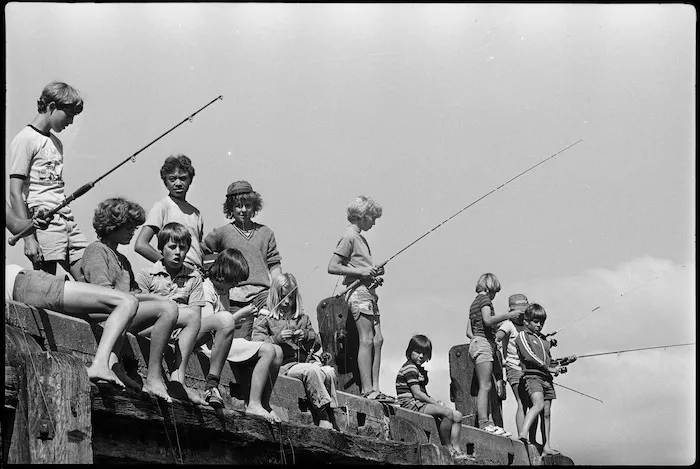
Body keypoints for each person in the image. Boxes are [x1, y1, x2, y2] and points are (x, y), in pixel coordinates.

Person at [5, 202, 138, 388]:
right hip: (21, 287)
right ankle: (101, 365)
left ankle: (107, 365)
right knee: (127, 302)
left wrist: (34, 222)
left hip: (23, 282)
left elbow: (17, 225)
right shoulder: (98, 250)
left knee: (127, 303)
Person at [76, 197, 180, 402]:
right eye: (129, 227)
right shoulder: (96, 250)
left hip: (124, 311)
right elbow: (103, 293)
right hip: (105, 312)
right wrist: (152, 297)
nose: (133, 232)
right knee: (167, 309)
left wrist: (153, 296)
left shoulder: (122, 259)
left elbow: (133, 292)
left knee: (180, 312)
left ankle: (123, 368)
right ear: (114, 226)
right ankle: (153, 377)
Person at [9, 81, 89, 279]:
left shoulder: (56, 142)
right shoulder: (25, 139)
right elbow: (15, 193)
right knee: (47, 281)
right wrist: (28, 239)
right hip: (42, 217)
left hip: (65, 215)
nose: (70, 121)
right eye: (68, 114)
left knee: (88, 272)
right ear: (52, 107)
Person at [200, 248, 283, 422]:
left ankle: (264, 403)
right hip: (212, 345)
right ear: (224, 276)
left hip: (222, 340)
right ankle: (253, 404)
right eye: (235, 281)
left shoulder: (224, 290)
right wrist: (238, 315)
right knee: (268, 350)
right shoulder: (206, 289)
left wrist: (234, 320)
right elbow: (208, 324)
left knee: (278, 352)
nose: (236, 285)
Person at [252, 273, 340, 430]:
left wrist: (305, 335)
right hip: (284, 366)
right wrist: (277, 339)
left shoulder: (302, 318)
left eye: (291, 298)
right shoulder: (265, 318)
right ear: (275, 295)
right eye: (283, 297)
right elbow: (257, 344)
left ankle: (331, 410)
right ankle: (322, 415)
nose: (287, 302)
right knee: (312, 371)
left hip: (304, 362)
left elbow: (317, 342)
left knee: (329, 371)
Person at [135, 222, 209, 405]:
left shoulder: (194, 277)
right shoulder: (147, 275)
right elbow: (137, 311)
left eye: (183, 248)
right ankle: (162, 379)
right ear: (161, 248)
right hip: (149, 329)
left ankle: (178, 380)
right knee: (174, 310)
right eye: (172, 247)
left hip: (179, 334)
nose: (178, 252)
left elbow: (196, 315)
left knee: (196, 316)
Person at [327, 195, 393, 402]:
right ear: (363, 216)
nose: (374, 222)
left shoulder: (360, 238)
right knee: (366, 339)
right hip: (358, 294)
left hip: (369, 292)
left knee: (378, 339)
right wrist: (364, 272)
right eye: (372, 217)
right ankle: (368, 389)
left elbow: (359, 268)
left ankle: (376, 388)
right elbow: (333, 266)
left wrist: (371, 275)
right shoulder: (349, 237)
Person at [203, 180, 282, 340]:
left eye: (248, 205)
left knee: (267, 333)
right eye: (238, 206)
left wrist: (278, 290)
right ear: (230, 208)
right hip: (233, 293)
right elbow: (202, 251)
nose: (243, 210)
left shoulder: (265, 232)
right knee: (235, 337)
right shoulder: (222, 233)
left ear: (255, 207)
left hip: (261, 293)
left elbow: (274, 263)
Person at [396, 335, 469, 462]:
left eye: (424, 353)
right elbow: (417, 394)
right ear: (410, 351)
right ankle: (447, 447)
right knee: (447, 413)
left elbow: (423, 394)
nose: (421, 356)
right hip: (411, 404)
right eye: (417, 352)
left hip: (419, 403)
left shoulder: (418, 369)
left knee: (457, 415)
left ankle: (456, 449)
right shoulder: (410, 368)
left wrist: (436, 403)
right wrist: (437, 404)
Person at [467, 273, 520, 436]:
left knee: (487, 385)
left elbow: (469, 331)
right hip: (482, 344)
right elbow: (488, 320)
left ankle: (488, 422)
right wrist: (508, 316)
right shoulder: (484, 300)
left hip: (477, 342)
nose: (495, 295)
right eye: (495, 291)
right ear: (490, 287)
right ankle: (485, 423)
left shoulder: (473, 303)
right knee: (486, 385)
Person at [135, 154, 206, 271]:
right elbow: (141, 245)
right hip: (175, 274)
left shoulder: (195, 213)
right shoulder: (162, 207)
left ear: (190, 180)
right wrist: (171, 265)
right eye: (172, 179)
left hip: (196, 274)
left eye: (183, 178)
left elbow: (196, 249)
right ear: (165, 182)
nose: (178, 183)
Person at [514, 303, 567, 455]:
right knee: (537, 405)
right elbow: (528, 356)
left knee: (547, 412)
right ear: (526, 322)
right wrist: (548, 367)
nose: (539, 325)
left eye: (542, 322)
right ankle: (523, 434)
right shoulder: (523, 336)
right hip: (532, 377)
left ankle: (547, 446)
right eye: (536, 322)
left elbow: (549, 361)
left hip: (546, 379)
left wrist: (557, 367)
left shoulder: (544, 342)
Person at [495, 293, 533, 439]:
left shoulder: (527, 326)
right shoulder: (508, 325)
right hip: (514, 367)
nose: (521, 315)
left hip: (528, 368)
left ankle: (531, 437)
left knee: (531, 404)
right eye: (518, 312)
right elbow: (498, 336)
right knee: (522, 402)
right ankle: (522, 436)